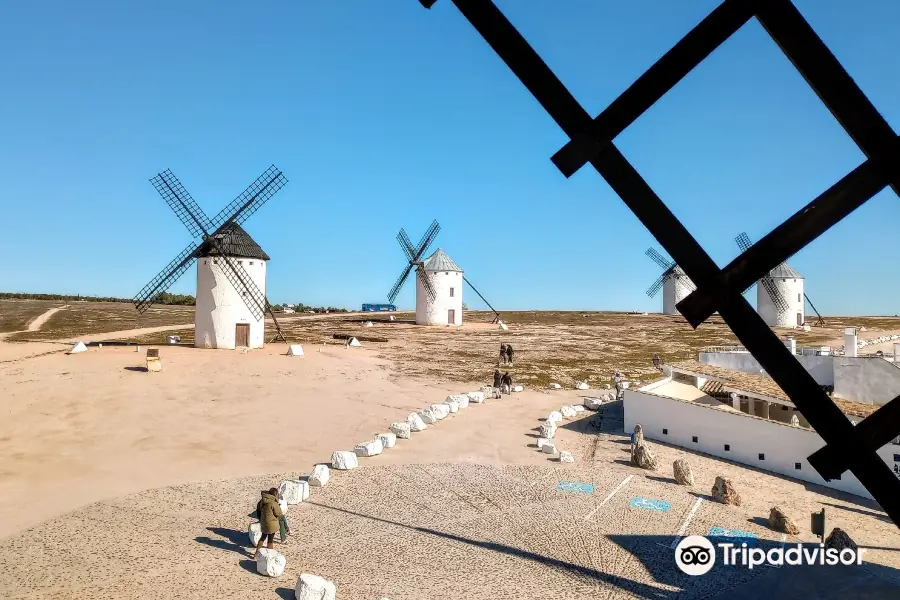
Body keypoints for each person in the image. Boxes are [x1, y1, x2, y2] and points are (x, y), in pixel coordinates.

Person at [252, 487, 283, 559]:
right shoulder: (273, 503)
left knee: (262, 538)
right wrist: (278, 506)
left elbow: (258, 510)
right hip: (272, 524)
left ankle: (256, 554)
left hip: (263, 523)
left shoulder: (262, 501)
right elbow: (278, 513)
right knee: (270, 540)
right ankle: (270, 556)